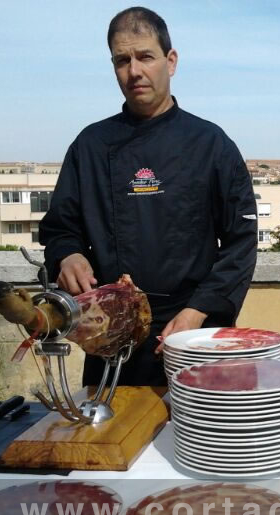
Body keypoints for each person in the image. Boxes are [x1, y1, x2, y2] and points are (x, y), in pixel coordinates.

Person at [40, 7, 257, 387]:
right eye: (122, 60)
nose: (134, 71)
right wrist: (67, 254)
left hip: (192, 331)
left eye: (145, 57)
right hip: (111, 332)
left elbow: (240, 243)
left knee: (199, 439)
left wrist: (197, 311)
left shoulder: (211, 144)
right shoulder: (90, 145)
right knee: (112, 435)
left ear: (170, 62)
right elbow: (61, 227)